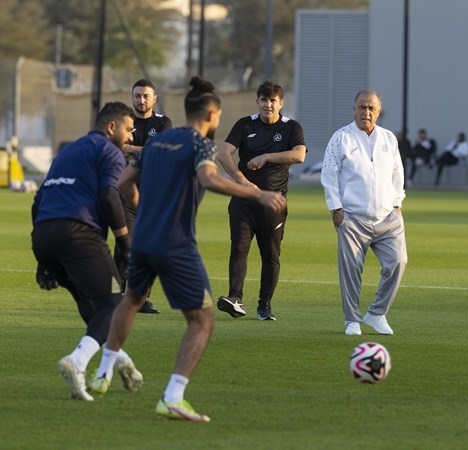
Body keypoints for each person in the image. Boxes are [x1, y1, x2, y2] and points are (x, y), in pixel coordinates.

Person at [87, 77, 286, 421]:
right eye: (219, 115)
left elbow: (122, 183)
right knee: (202, 323)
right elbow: (209, 179)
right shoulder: (200, 145)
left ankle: (103, 372)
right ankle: (173, 396)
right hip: (175, 243)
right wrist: (258, 194)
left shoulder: (159, 141)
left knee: (131, 300)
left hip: (144, 239)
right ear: (211, 113)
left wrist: (144, 207)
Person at [31, 102, 144, 401]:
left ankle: (121, 361)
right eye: (129, 130)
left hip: (44, 235)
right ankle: (77, 362)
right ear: (111, 127)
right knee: (115, 306)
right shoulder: (109, 152)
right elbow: (109, 196)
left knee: (90, 303)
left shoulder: (66, 151)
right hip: (78, 235)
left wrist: (43, 259)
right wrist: (125, 243)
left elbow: (37, 202)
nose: (130, 138)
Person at [216, 80, 307, 320]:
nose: (268, 105)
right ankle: (235, 298)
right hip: (243, 200)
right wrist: (241, 180)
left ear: (281, 103)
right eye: (263, 100)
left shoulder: (291, 127)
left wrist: (266, 156)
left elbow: (299, 155)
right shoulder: (245, 124)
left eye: (272, 100)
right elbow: (223, 153)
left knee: (270, 254)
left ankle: (264, 305)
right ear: (257, 102)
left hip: (273, 203)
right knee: (239, 249)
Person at [320, 90, 407, 336]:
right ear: (354, 109)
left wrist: (398, 204)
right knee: (351, 271)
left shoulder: (389, 139)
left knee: (398, 262)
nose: (366, 113)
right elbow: (329, 174)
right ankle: (352, 320)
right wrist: (335, 207)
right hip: (352, 217)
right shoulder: (341, 137)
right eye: (361, 107)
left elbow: (397, 173)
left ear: (379, 111)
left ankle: (377, 314)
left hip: (388, 218)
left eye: (371, 108)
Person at [114, 78, 173, 314]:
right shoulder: (124, 121)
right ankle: (117, 295)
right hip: (126, 194)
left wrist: (129, 149)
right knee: (124, 244)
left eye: (146, 96)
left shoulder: (163, 123)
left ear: (154, 99)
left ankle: (141, 298)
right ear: (132, 97)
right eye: (137, 96)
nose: (141, 100)